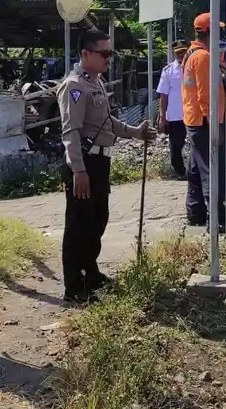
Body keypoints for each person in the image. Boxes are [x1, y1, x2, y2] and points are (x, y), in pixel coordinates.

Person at [57, 29, 157, 304]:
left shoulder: (95, 82)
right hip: (85, 162)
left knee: (97, 220)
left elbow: (106, 121)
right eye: (104, 53)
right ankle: (74, 286)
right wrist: (78, 170)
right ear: (86, 53)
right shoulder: (75, 86)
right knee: (78, 224)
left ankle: (91, 273)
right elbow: (71, 131)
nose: (108, 59)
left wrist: (135, 132)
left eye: (110, 53)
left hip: (101, 161)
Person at [181, 13, 226, 226]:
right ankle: (215, 220)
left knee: (195, 168)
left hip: (194, 119)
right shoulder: (203, 57)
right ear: (209, 31)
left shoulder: (193, 53)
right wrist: (213, 121)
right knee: (212, 170)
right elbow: (205, 94)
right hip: (204, 121)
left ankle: (195, 212)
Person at [157, 40, 190, 180]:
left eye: (183, 51)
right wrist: (162, 116)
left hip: (195, 114)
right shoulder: (168, 71)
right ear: (174, 53)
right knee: (175, 148)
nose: (181, 55)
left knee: (199, 145)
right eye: (178, 52)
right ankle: (181, 173)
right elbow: (163, 95)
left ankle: (198, 172)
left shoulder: (196, 66)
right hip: (176, 116)